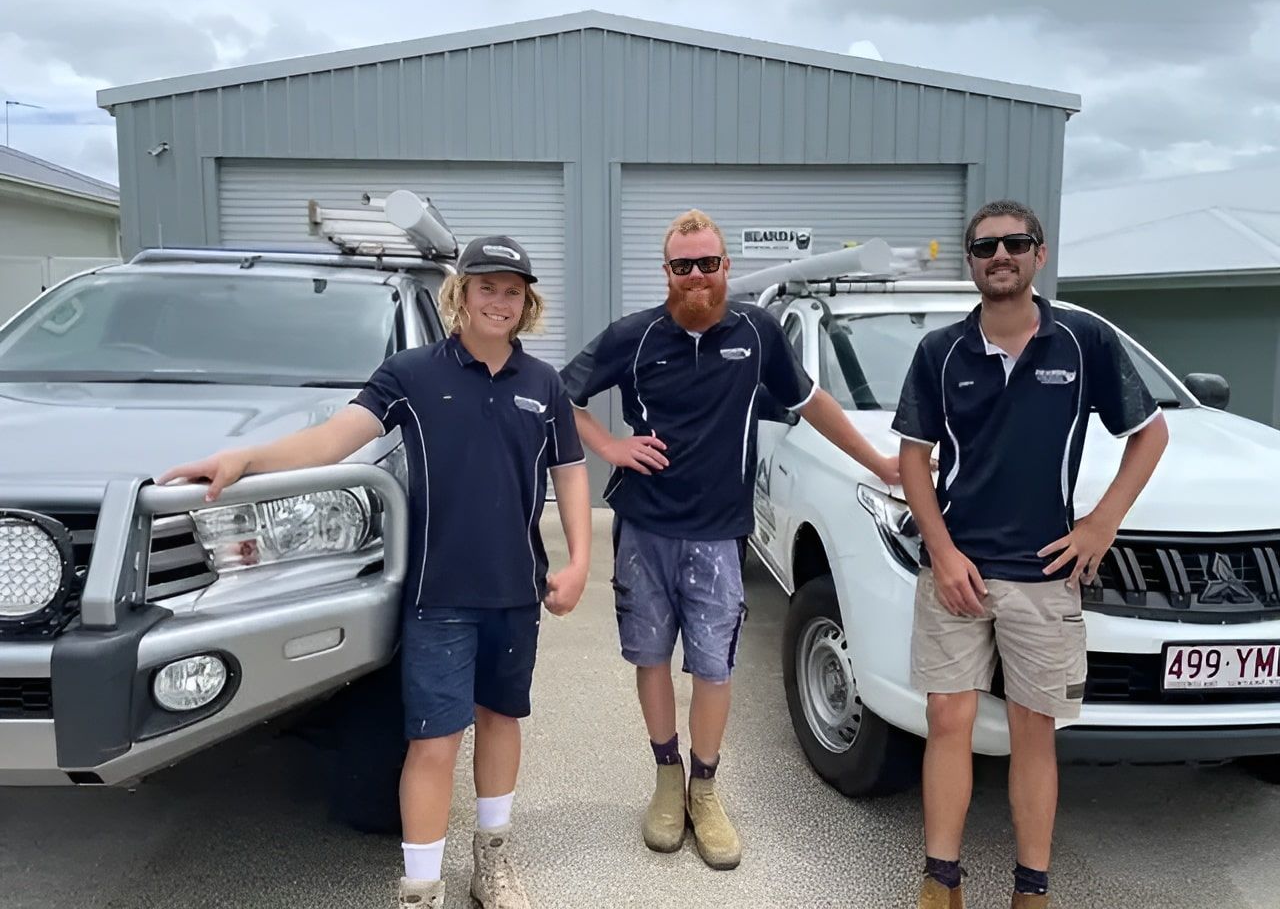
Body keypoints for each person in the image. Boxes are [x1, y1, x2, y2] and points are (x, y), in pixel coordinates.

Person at [159, 236, 591, 909]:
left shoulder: (543, 385)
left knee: (502, 720)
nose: (499, 301)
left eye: (512, 291)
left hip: (516, 592)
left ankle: (492, 862)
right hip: (437, 593)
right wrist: (244, 460)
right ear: (461, 294)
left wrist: (580, 562)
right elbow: (335, 439)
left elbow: (569, 473)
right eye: (486, 287)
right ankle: (420, 890)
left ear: (526, 301)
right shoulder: (413, 374)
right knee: (434, 741)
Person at [560, 209, 899, 870]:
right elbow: (556, 395)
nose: (695, 276)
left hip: (719, 537)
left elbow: (813, 405)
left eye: (707, 262)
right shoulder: (633, 337)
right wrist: (608, 445)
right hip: (644, 531)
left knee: (714, 670)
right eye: (682, 265)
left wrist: (881, 465)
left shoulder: (758, 333)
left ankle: (705, 789)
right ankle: (666, 781)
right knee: (651, 659)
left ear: (725, 267)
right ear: (666, 272)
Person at [892, 201, 1169, 909]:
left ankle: (1032, 891)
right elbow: (915, 461)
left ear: (1039, 256)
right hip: (957, 571)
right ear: (972, 262)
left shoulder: (1083, 343)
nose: (1001, 255)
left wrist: (1101, 523)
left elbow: (1150, 435)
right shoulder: (940, 353)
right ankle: (940, 882)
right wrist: (944, 553)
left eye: (1016, 243)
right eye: (985, 247)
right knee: (948, 721)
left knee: (1032, 730)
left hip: (1044, 575)